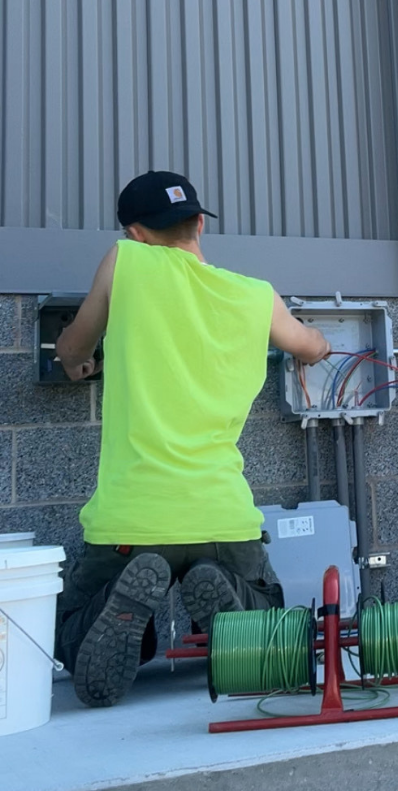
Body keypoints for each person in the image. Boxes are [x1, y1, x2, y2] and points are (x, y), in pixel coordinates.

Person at [54, 170, 330, 707]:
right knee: (264, 605)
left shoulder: (124, 263)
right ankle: (233, 603)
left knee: (75, 627)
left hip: (132, 519)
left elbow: (72, 349)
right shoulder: (256, 295)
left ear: (134, 233)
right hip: (221, 517)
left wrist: (77, 362)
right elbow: (308, 344)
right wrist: (315, 347)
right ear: (199, 224)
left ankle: (126, 606)